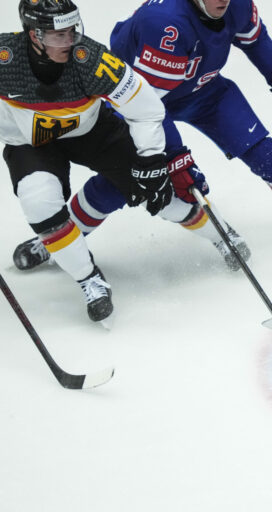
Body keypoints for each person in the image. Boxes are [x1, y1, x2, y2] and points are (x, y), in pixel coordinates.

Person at [12, 0, 272, 273]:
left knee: (269, 156)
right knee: (127, 181)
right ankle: (57, 241)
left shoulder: (237, 4)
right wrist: (175, 157)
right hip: (135, 102)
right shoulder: (165, 25)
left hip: (204, 91)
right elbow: (146, 106)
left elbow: (255, 40)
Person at [1, 0, 174, 324]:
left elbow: (146, 107)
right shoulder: (4, 58)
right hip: (29, 143)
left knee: (160, 191)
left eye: (73, 30)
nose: (70, 41)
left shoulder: (89, 58)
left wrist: (152, 157)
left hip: (91, 131)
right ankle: (89, 279)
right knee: (39, 204)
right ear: (34, 35)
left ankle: (222, 237)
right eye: (59, 35)